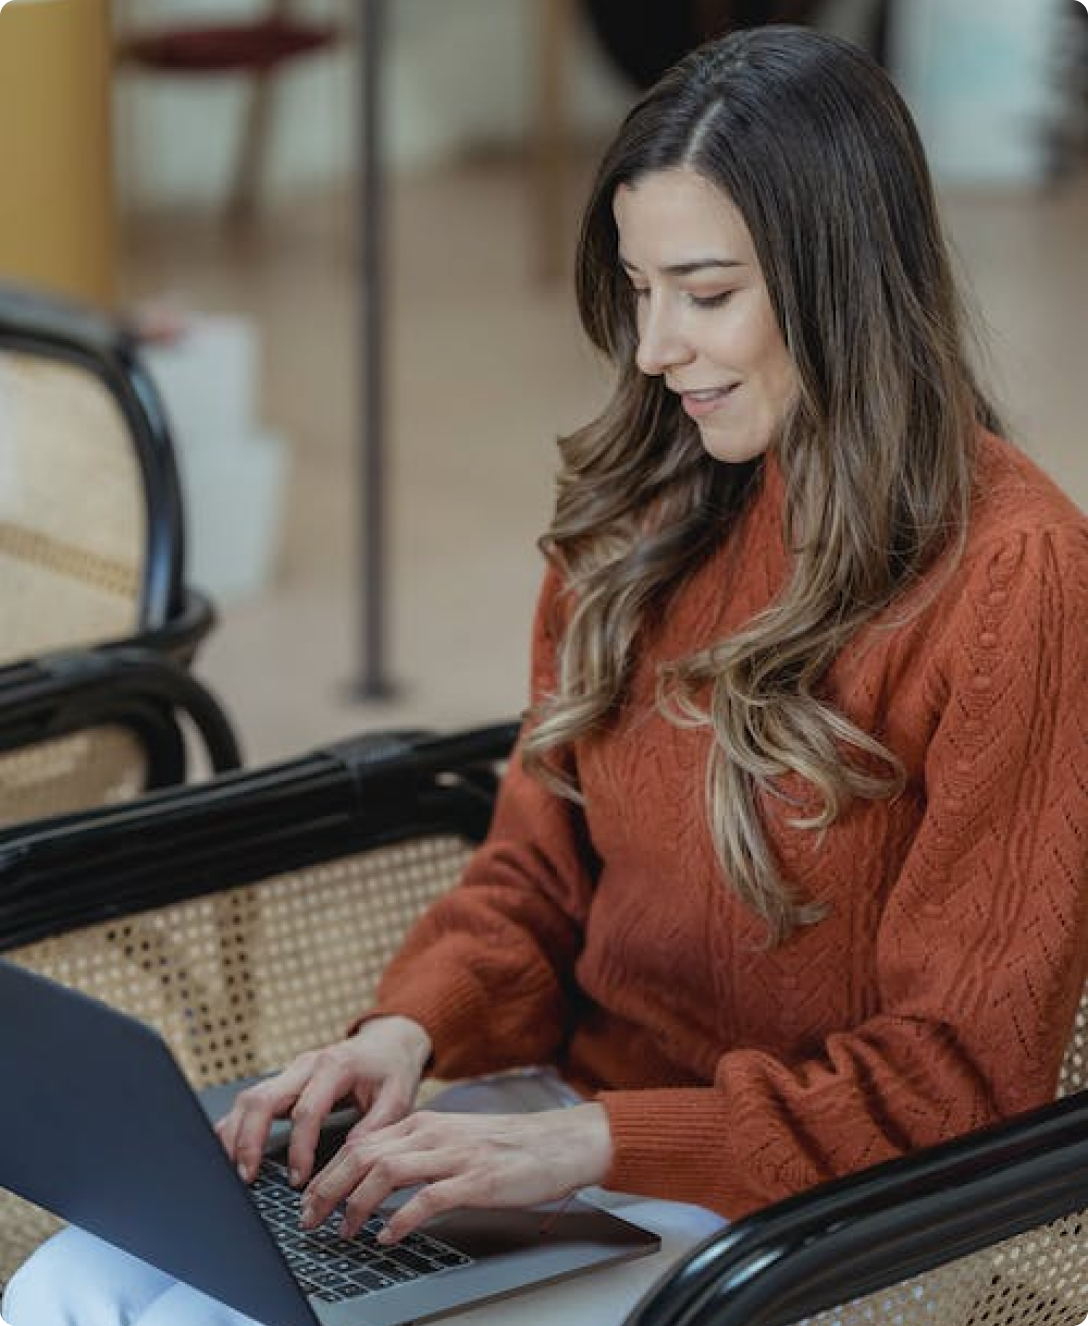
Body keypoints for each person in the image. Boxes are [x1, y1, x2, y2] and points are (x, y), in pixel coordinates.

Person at [6, 23, 1087, 1326]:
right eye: (639, 290)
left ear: (842, 279)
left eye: (704, 292)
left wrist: (598, 1145)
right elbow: (532, 871)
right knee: (68, 1284)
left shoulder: (1016, 574)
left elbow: (957, 1084)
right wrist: (407, 1033)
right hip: (578, 1139)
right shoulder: (643, 510)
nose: (654, 349)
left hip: (820, 1217)